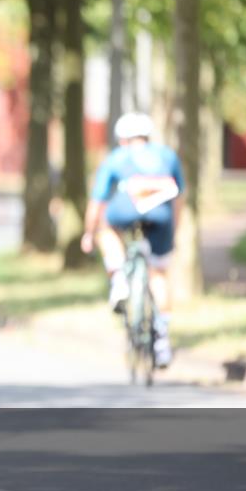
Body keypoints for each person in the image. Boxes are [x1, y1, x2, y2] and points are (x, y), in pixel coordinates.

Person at [80, 112, 185, 368]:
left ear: (122, 139)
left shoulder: (116, 158)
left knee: (106, 229)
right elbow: (179, 197)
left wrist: (89, 233)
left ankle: (118, 278)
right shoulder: (167, 155)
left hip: (125, 210)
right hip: (161, 215)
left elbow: (97, 201)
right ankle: (162, 340)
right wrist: (174, 228)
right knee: (158, 273)